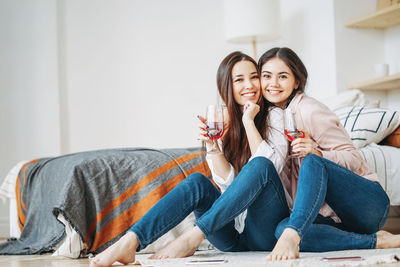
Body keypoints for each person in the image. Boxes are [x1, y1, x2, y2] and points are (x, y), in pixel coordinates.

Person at [90, 51, 290, 267]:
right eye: (239, 80)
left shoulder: (275, 116)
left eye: (254, 77)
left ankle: (192, 237)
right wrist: (213, 146)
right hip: (232, 236)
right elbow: (228, 185)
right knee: (196, 182)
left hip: (265, 234)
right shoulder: (224, 123)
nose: (249, 85)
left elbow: (269, 169)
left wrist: (249, 121)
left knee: (260, 165)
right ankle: (130, 242)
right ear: (228, 87)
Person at [257, 47, 400, 261]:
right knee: (282, 230)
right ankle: (376, 241)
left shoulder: (309, 110)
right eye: (267, 76)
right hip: (332, 217)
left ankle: (294, 233)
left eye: (283, 76)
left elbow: (353, 157)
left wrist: (317, 153)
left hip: (367, 205)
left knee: (313, 162)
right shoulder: (271, 118)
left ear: (297, 81)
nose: (273, 84)